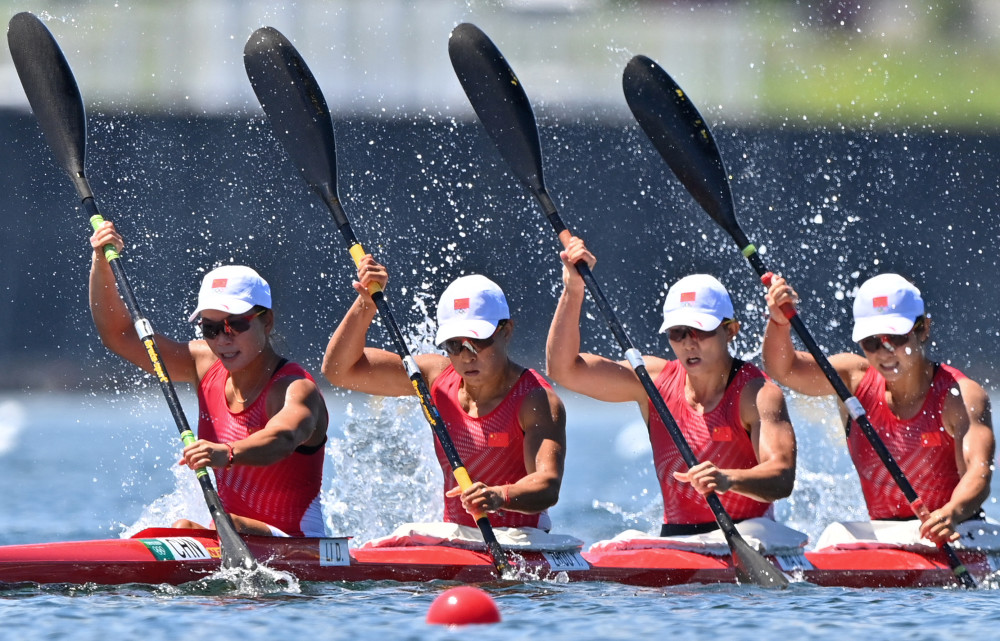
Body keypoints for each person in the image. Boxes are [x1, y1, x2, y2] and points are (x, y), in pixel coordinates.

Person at [89, 220, 329, 537]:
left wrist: (225, 454)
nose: (223, 340)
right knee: (180, 528)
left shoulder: (294, 388)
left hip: (302, 545)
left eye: (235, 325)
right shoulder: (202, 363)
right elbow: (119, 336)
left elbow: (282, 440)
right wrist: (100, 262)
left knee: (199, 527)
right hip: (232, 534)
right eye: (211, 328)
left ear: (266, 320)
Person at [546, 237, 796, 536]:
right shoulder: (654, 382)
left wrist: (728, 480)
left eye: (700, 330)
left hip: (752, 535)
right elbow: (564, 370)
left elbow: (781, 477)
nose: (689, 343)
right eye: (678, 333)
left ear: (730, 330)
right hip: (679, 539)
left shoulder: (757, 394)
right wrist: (574, 289)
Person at [322, 256, 566, 530]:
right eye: (453, 344)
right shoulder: (432, 376)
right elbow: (339, 371)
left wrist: (498, 496)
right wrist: (367, 303)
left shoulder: (535, 400)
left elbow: (547, 485)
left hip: (524, 536)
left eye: (478, 341)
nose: (466, 356)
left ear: (506, 330)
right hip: (456, 535)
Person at [763, 273, 994, 544]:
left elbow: (978, 471)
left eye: (895, 339)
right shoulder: (852, 378)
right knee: (832, 537)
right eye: (872, 342)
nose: (884, 353)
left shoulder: (961, 395)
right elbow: (784, 369)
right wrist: (779, 323)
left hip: (956, 530)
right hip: (886, 534)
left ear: (923, 329)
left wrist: (950, 513)